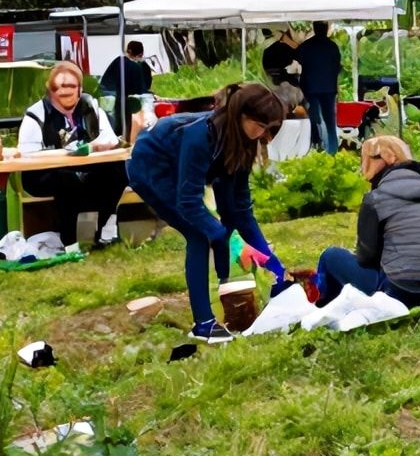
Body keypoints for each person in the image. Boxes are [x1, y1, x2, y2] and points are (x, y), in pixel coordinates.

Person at [126, 84, 289, 343]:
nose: (262, 134)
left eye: (269, 128)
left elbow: (240, 211)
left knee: (230, 222)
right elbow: (188, 201)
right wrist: (233, 242)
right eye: (259, 125)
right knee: (200, 234)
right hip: (151, 167)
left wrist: (278, 271)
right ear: (239, 115)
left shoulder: (243, 141)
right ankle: (203, 325)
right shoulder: (200, 136)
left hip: (181, 167)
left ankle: (234, 294)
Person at [314, 136, 420, 307]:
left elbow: (367, 258)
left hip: (403, 292)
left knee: (331, 256)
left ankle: (325, 305)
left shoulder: (376, 199)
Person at [16, 61, 126, 248]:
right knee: (67, 181)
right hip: (43, 175)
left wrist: (98, 146)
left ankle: (104, 232)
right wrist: (64, 155)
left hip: (84, 167)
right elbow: (28, 156)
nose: (66, 92)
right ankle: (70, 243)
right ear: (50, 90)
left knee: (117, 171)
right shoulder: (35, 115)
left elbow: (111, 138)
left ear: (80, 88)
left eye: (71, 87)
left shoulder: (91, 107)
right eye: (60, 87)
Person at [294, 21, 343, 153]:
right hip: (329, 88)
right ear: (326, 29)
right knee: (330, 121)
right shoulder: (333, 46)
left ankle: (316, 147)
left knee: (315, 119)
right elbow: (338, 67)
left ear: (314, 29)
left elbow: (297, 57)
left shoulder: (306, 45)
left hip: (310, 88)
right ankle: (332, 151)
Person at [98, 40, 154, 137]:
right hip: (127, 105)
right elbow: (141, 89)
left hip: (111, 102)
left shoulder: (117, 61)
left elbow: (105, 82)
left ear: (128, 51)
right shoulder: (138, 67)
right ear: (141, 54)